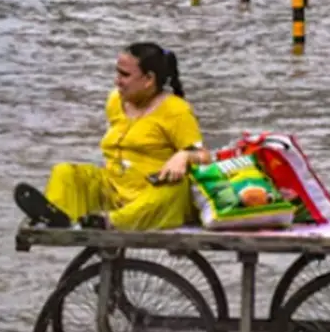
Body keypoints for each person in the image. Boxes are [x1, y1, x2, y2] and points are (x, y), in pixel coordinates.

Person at [13, 42, 211, 231]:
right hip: (114, 190)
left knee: (173, 189)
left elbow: (204, 157)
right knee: (65, 172)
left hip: (153, 199)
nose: (117, 80)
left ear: (148, 79)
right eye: (117, 72)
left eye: (124, 75)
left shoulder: (176, 111)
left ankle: (111, 222)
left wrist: (184, 156)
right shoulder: (115, 100)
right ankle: (58, 218)